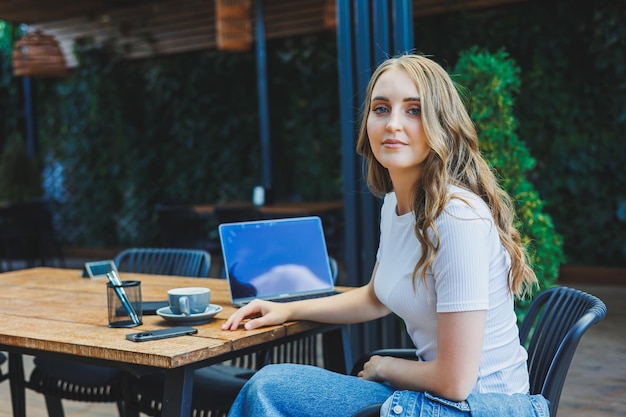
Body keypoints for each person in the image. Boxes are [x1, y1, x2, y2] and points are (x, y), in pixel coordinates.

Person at [221, 53, 550, 417]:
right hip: (437, 400)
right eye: (381, 109)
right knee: (269, 386)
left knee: (269, 387)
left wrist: (384, 367)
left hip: (480, 408)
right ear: (367, 124)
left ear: (441, 124)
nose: (393, 123)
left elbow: (456, 381)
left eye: (413, 110)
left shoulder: (457, 218)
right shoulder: (395, 207)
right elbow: (373, 298)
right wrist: (285, 309)